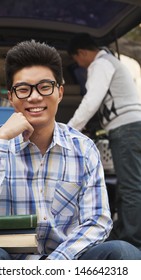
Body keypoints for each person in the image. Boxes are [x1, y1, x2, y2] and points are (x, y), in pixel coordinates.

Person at [0, 40, 141, 260]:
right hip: (9, 264)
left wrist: (54, 264)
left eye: (44, 87)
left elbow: (97, 220)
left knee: (124, 252)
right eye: (23, 89)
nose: (34, 97)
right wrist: (1, 141)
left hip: (67, 261)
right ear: (10, 97)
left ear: (59, 92)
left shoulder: (83, 148)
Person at [67, 33, 141, 249]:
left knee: (131, 187)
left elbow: (91, 101)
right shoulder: (112, 62)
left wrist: (69, 130)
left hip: (126, 130)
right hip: (131, 128)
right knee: (129, 185)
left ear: (81, 53)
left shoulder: (100, 64)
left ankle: (132, 241)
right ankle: (121, 231)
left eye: (76, 60)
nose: (79, 65)